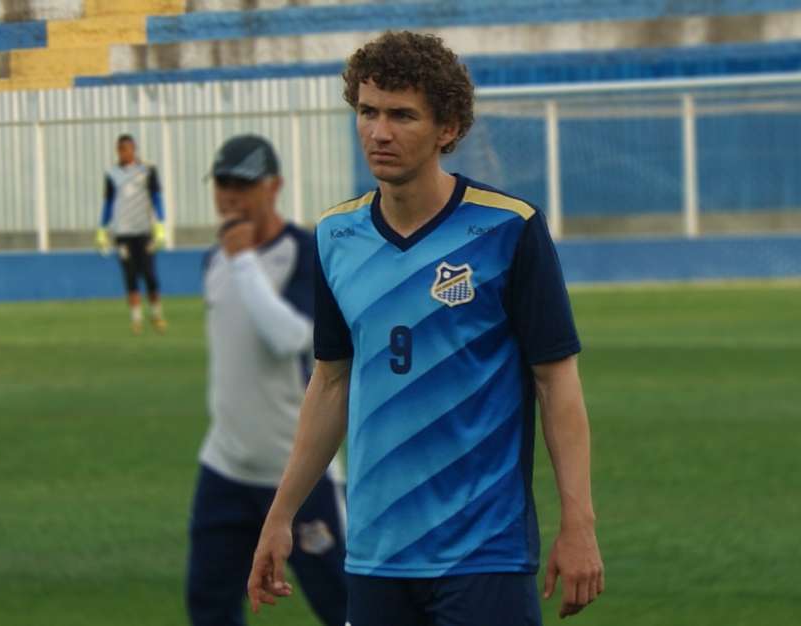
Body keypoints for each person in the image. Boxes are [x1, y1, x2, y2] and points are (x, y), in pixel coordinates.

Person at [247, 31, 603, 626]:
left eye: (402, 115)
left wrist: (579, 523)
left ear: (448, 128)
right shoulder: (336, 237)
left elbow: (556, 381)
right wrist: (280, 515)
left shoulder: (508, 229)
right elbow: (330, 383)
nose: (379, 132)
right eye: (368, 112)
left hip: (485, 552)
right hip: (376, 554)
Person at [186, 134, 348, 626]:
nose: (230, 196)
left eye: (243, 184)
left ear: (274, 186)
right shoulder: (214, 259)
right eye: (222, 184)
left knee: (343, 603)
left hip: (298, 470)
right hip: (225, 466)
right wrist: (234, 259)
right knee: (209, 606)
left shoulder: (303, 253)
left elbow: (292, 336)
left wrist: (243, 261)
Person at [95, 134, 168, 334]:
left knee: (150, 275)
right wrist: (102, 228)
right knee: (130, 276)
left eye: (127, 149)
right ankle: (136, 319)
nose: (124, 153)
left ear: (134, 149)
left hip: (144, 230)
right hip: (123, 233)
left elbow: (156, 197)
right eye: (120, 149)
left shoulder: (147, 170)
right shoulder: (111, 174)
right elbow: (109, 202)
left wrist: (160, 224)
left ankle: (156, 315)